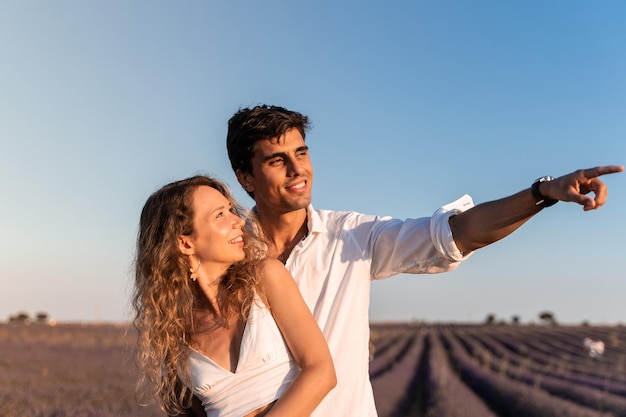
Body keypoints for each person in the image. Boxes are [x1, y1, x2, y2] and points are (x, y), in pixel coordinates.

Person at [191, 105, 622, 417]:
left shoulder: (352, 236)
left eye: (301, 153)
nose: (297, 169)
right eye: (277, 160)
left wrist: (541, 194)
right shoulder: (223, 252)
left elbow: (455, 234)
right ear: (245, 177)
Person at [132, 175, 336, 417]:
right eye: (220, 215)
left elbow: (321, 371)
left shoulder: (266, 277)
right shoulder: (171, 330)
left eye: (230, 210)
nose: (239, 221)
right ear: (185, 244)